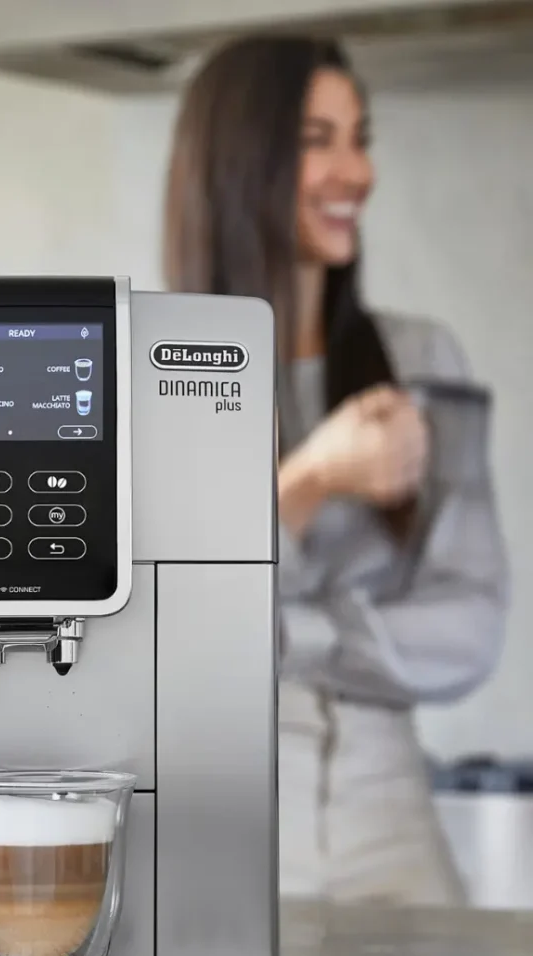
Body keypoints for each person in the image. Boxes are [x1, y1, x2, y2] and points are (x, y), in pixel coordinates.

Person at [163, 36, 509, 905]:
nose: (356, 171)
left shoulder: (423, 360)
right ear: (242, 161)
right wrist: (310, 477)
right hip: (219, 821)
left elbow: (471, 624)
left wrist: (280, 634)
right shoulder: (148, 368)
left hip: (392, 821)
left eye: (362, 137)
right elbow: (164, 623)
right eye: (320, 140)